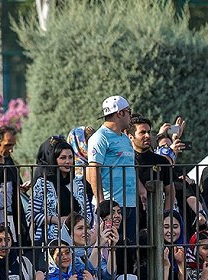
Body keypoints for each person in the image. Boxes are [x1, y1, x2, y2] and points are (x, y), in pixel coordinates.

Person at [86, 95, 142, 242]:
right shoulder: (100, 137)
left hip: (130, 203)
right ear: (120, 113)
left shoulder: (124, 138)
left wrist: (141, 191)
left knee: (129, 250)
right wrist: (101, 202)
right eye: (129, 111)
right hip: (111, 206)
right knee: (111, 249)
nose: (130, 115)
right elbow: (93, 170)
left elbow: (130, 168)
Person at [31, 136, 94, 244]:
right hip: (50, 240)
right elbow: (32, 214)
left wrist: (74, 224)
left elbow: (88, 214)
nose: (68, 161)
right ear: (54, 160)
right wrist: (55, 220)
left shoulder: (79, 184)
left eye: (70, 157)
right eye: (63, 158)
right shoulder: (43, 184)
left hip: (77, 240)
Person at [126, 115, 175, 219]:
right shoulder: (125, 161)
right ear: (130, 136)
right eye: (142, 132)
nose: (147, 135)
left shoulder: (161, 161)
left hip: (155, 219)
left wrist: (165, 217)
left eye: (149, 132)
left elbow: (170, 192)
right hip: (130, 218)